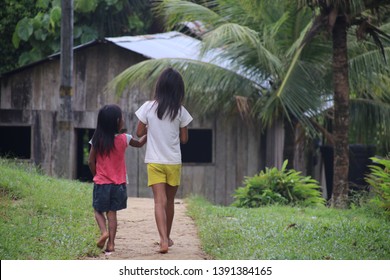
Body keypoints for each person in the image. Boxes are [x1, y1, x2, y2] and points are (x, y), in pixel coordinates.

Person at [135, 67, 193, 253]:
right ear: (179, 90)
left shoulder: (148, 107)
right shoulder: (181, 111)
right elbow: (184, 139)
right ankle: (167, 236)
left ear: (159, 87)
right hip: (173, 161)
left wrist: (152, 128)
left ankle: (163, 241)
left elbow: (139, 132)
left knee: (159, 201)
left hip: (155, 161)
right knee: (169, 201)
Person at [88, 104, 146, 254]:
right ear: (118, 121)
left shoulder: (97, 139)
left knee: (98, 210)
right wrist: (149, 132)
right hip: (119, 185)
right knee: (112, 214)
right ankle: (111, 244)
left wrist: (96, 175)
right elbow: (139, 144)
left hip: (102, 183)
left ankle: (103, 233)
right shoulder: (125, 138)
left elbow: (90, 161)